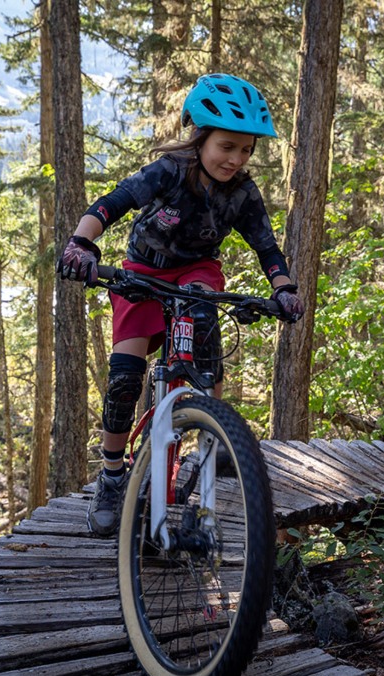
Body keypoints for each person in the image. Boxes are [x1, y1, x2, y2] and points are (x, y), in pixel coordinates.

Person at [58, 73, 306, 537]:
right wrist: (81, 244)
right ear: (200, 137)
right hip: (142, 272)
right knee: (124, 378)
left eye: (246, 150)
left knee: (204, 344)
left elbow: (268, 250)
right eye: (227, 147)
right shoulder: (169, 170)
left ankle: (213, 433)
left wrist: (284, 290)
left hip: (196, 272)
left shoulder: (243, 194)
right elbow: (111, 204)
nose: (236, 159)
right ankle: (112, 476)